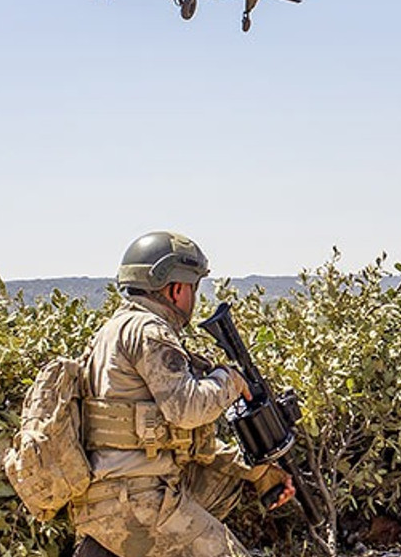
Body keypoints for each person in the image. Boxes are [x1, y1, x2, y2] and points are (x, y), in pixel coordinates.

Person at [69, 231, 294, 557]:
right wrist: (229, 380)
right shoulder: (150, 331)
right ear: (176, 288)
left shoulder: (109, 333)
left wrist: (256, 471)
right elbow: (186, 409)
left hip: (100, 502)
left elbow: (166, 436)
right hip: (140, 502)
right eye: (193, 287)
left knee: (220, 485)